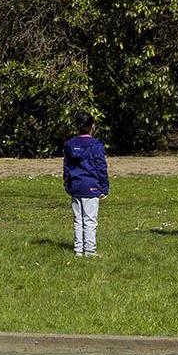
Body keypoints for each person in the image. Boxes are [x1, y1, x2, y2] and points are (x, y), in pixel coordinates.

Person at [61, 109, 109, 257]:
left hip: (75, 185)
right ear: (92, 126)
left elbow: (66, 167)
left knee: (78, 220)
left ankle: (78, 249)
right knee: (90, 220)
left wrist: (67, 184)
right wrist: (104, 187)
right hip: (91, 186)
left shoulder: (70, 144)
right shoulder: (96, 145)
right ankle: (89, 250)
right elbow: (101, 167)